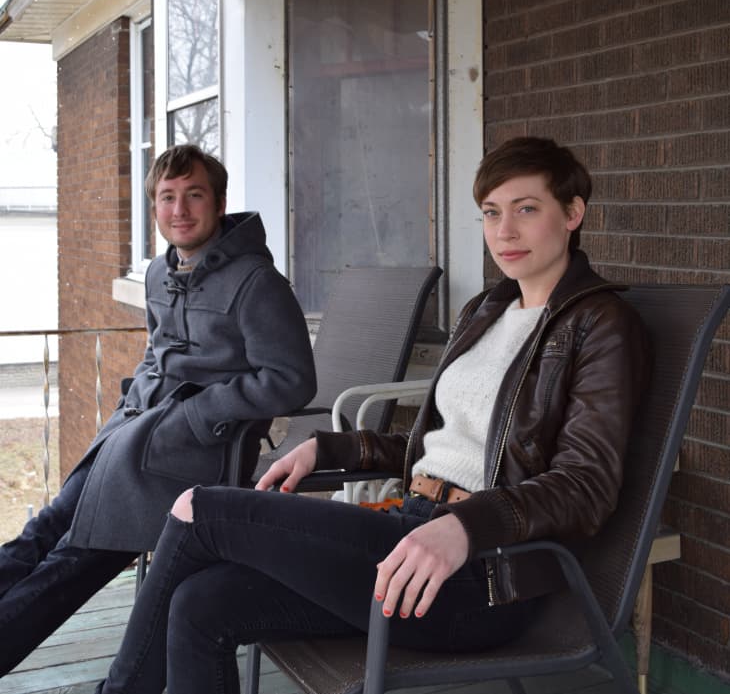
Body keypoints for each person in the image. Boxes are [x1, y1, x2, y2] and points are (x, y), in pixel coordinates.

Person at [97, 136, 651, 694]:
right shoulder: (487, 310)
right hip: (410, 534)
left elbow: (586, 485)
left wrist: (467, 525)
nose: (504, 231)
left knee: (200, 508)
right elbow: (441, 444)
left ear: (572, 213)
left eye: (526, 209)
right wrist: (334, 448)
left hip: (480, 576)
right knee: (201, 604)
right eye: (491, 212)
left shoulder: (600, 324)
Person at [0, 144, 316, 676]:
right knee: (42, 532)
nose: (180, 210)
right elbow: (157, 352)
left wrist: (199, 414)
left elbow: (291, 380)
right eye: (167, 198)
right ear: (154, 209)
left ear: (218, 203)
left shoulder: (256, 283)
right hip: (130, 442)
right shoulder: (158, 272)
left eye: (194, 195)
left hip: (188, 462)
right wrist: (125, 411)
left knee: (70, 563)